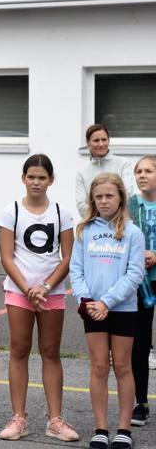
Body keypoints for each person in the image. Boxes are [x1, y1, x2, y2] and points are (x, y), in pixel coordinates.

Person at [0, 154, 78, 442]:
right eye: (31, 176)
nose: (36, 182)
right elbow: (7, 256)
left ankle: (55, 419)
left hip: (51, 292)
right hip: (19, 292)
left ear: (51, 180)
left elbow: (67, 257)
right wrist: (27, 288)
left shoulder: (61, 213)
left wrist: (45, 286)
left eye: (42, 177)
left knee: (50, 352)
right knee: (19, 350)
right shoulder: (12, 211)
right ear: (23, 178)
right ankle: (19, 418)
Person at [70, 173, 144, 449]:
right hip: (92, 308)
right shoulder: (84, 231)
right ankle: (100, 427)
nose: (103, 201)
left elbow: (134, 273)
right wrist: (87, 300)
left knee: (123, 366)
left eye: (109, 195)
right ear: (92, 199)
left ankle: (124, 429)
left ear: (121, 198)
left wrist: (107, 302)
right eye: (98, 196)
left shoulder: (133, 233)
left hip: (122, 307)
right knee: (99, 366)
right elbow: (75, 270)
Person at [127, 155, 156, 427]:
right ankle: (141, 402)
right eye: (139, 171)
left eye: (148, 170)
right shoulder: (130, 206)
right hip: (140, 283)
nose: (142, 175)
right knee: (140, 342)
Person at [76, 124, 135, 217]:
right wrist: (101, 218)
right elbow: (81, 205)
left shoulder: (123, 164)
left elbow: (127, 194)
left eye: (104, 140)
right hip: (94, 225)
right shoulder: (82, 172)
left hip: (120, 223)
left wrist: (113, 217)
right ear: (88, 143)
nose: (101, 144)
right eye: (96, 140)